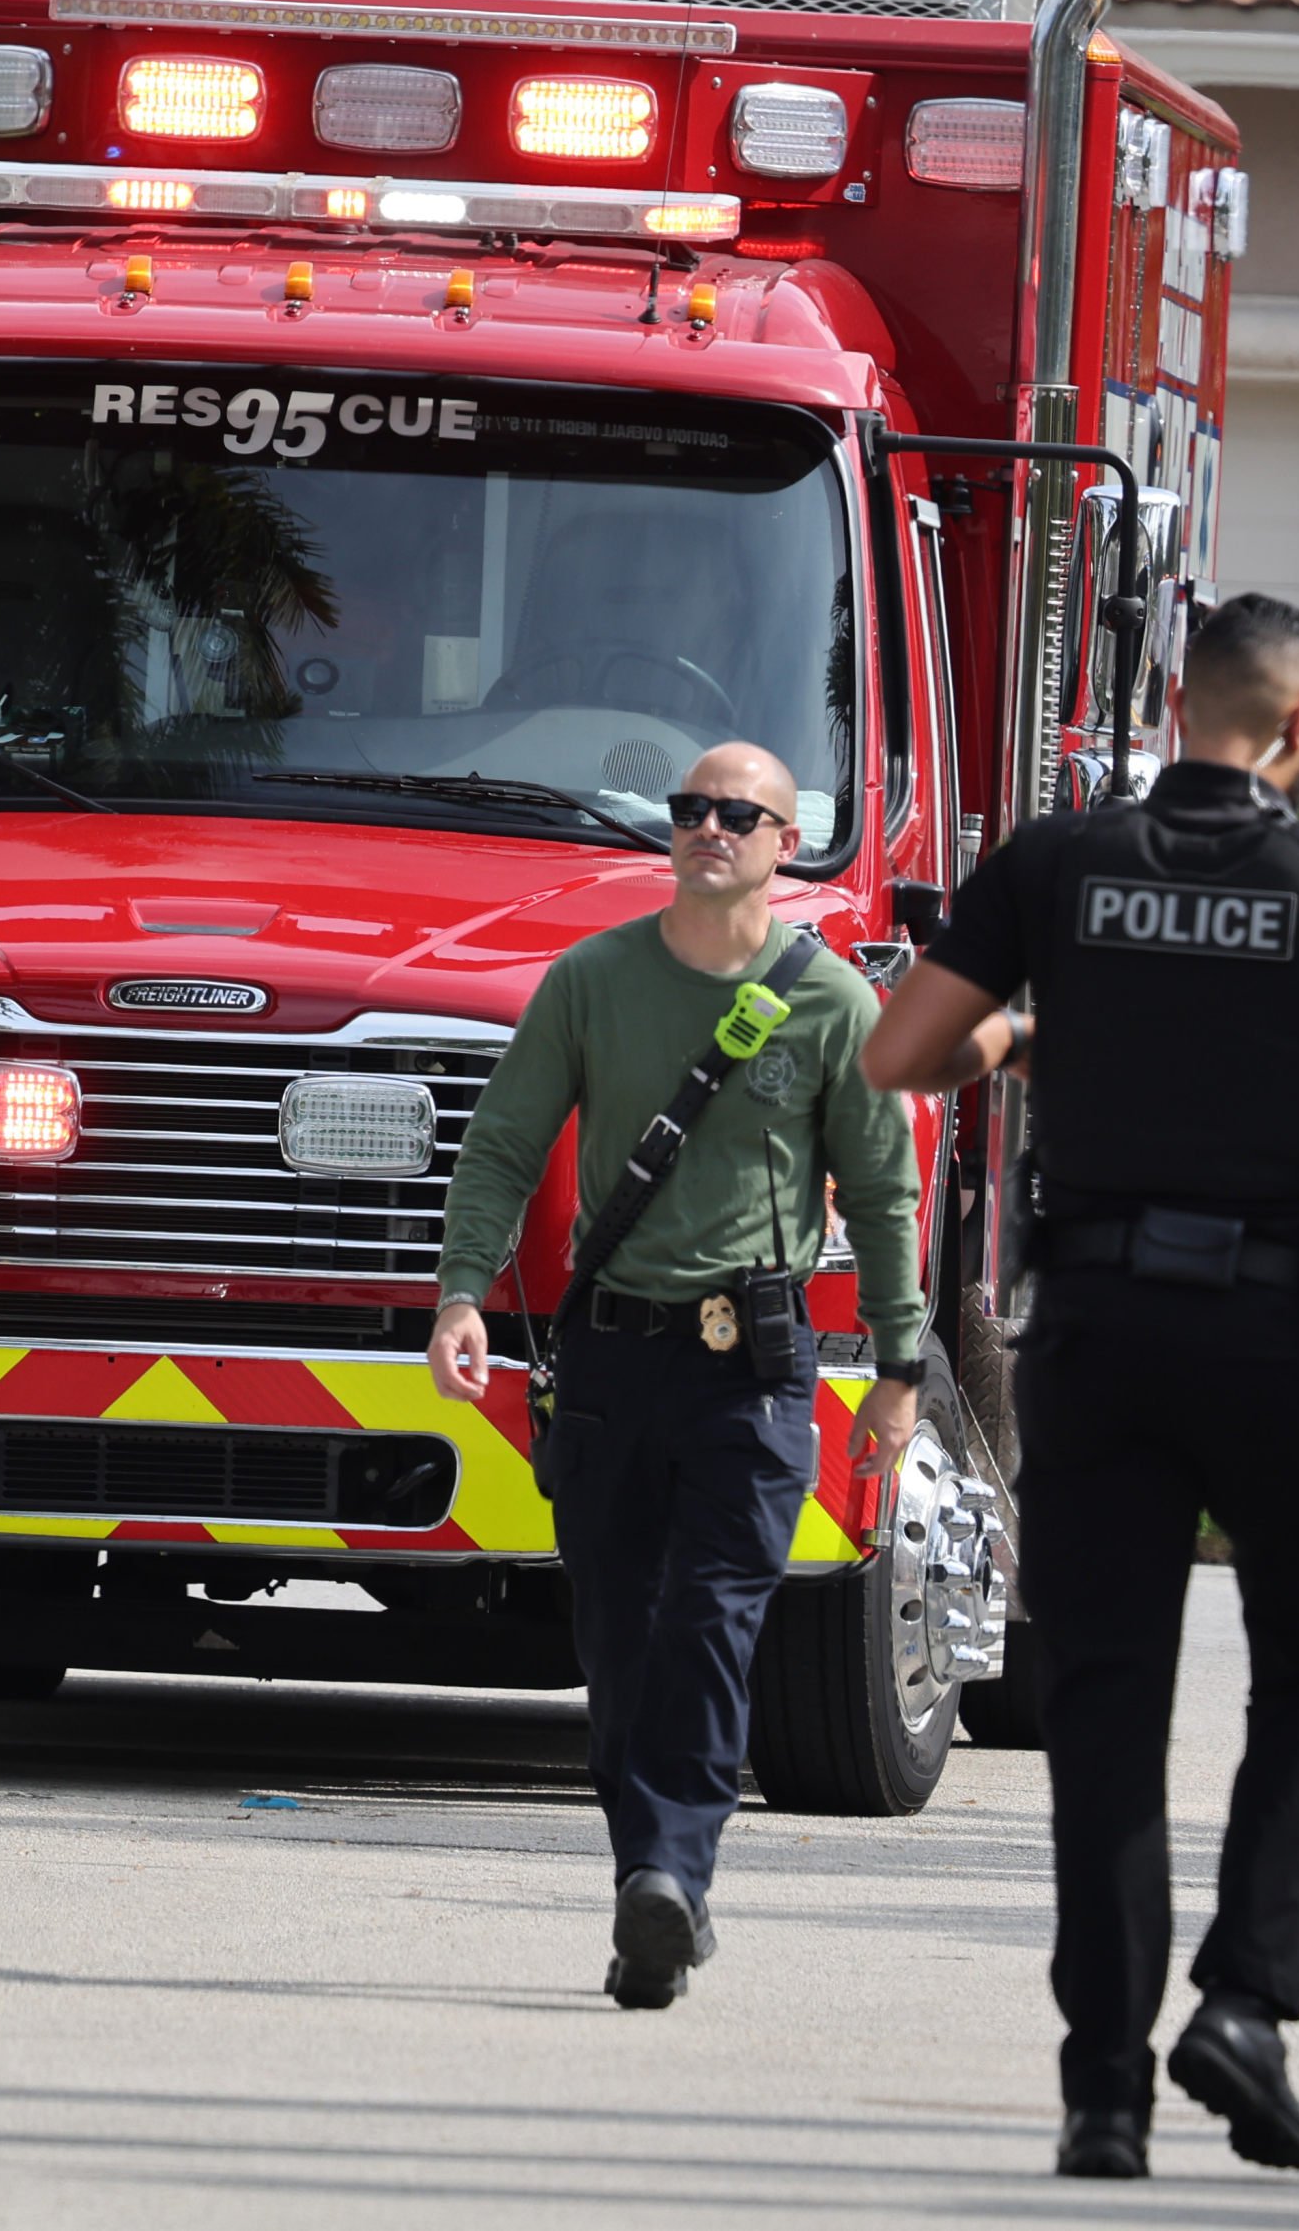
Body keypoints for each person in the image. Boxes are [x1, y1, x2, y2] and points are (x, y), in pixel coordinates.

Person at [859, 592, 1299, 2182]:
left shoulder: (1053, 861)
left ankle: (1101, 2091)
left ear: (1179, 704)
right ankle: (1242, 2005)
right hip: (1281, 1338)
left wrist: (1038, 1033)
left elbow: (898, 1054)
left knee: (1106, 1706)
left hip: (1095, 1338)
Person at [430, 739, 925, 2010]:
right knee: (620, 1645)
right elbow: (499, 1148)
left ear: (781, 841)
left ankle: (670, 1879)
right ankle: (650, 1876)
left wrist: (899, 1364)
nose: (710, 827)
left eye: (738, 813)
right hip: (608, 1368)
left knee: (711, 1628)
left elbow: (881, 1191)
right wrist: (461, 1297)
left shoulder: (830, 1004)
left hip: (751, 1373)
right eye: (693, 809)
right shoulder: (592, 982)